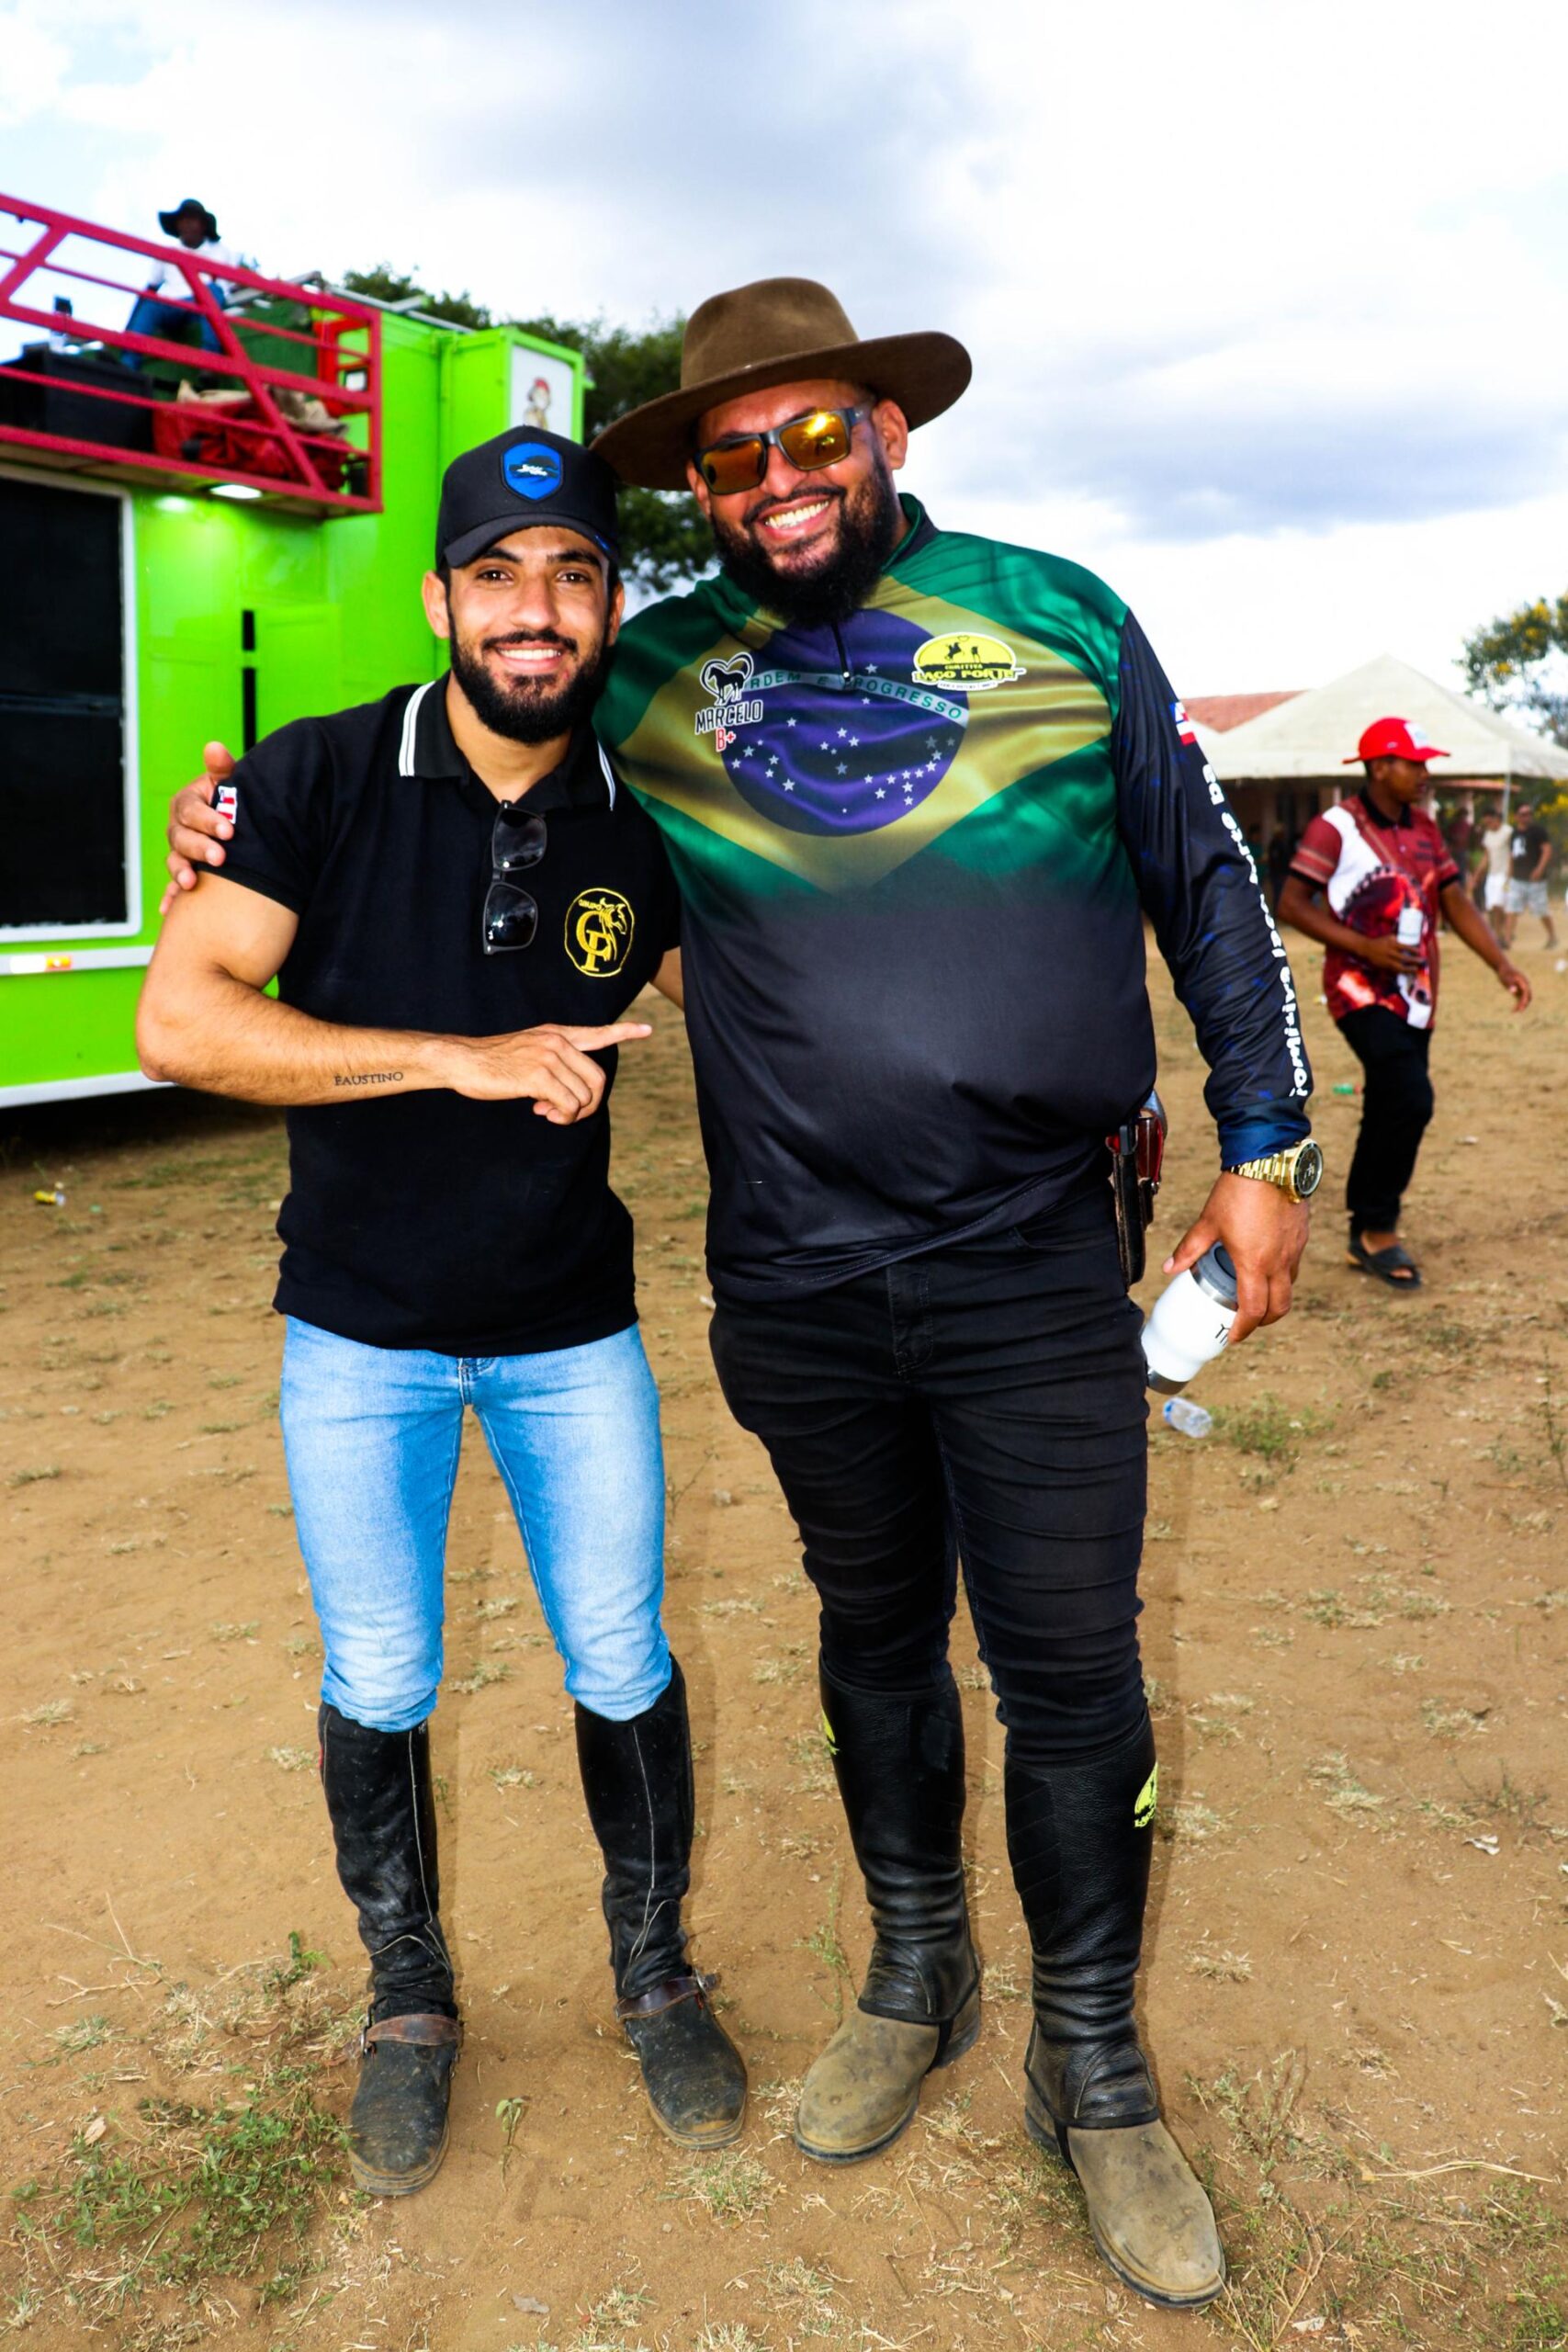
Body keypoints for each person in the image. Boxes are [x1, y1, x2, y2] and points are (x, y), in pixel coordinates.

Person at [165, 280, 1317, 2311]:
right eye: (727, 456)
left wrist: (1266, 1141)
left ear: (886, 434)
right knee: (871, 1639)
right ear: (693, 492)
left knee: (1071, 1672)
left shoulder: (1055, 614)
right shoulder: (653, 669)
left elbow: (1201, 878)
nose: (774, 482)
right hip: (792, 1275)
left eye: (811, 438)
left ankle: (1096, 2068)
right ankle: (912, 1975)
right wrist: (239, 808)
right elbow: (474, 709)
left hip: (1030, 1254)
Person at [138, 427, 747, 2197]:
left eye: (571, 576)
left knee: (621, 1655)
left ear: (608, 606)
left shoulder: (648, 814)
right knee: (383, 1673)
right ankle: (407, 1998)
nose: (533, 611)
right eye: (497, 575)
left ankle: (655, 1973)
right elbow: (180, 1022)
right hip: (357, 1333)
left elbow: (785, 988)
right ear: (439, 599)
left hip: (573, 1331)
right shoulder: (319, 776)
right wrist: (449, 1058)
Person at [1278, 718, 1530, 1291]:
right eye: (1413, 763)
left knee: (1392, 1101)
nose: (1424, 773)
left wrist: (1500, 964)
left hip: (1417, 996)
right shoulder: (1335, 827)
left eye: (1424, 763)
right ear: (1379, 767)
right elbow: (1291, 903)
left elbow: (1454, 899)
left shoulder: (1425, 828)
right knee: (1411, 1097)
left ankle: (1365, 1226)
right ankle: (1376, 1229)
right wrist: (1364, 945)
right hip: (1359, 991)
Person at [125, 197, 246, 364]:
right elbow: (150, 289)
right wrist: (127, 328)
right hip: (171, 307)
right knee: (150, 305)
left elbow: (233, 285)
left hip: (203, 308)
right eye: (182, 220)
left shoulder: (221, 252)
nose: (187, 224)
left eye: (192, 219)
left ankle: (209, 361)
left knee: (212, 291)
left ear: (203, 225)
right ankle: (128, 363)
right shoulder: (167, 253)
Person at [1502, 798, 1558, 951]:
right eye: (1523, 814)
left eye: (1529, 813)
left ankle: (1552, 936)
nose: (1527, 817)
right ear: (1516, 816)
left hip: (1535, 880)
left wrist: (1539, 868)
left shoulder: (1538, 831)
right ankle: (1507, 940)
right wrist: (1509, 875)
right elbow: (1512, 855)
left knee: (1541, 910)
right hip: (1517, 878)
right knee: (1512, 908)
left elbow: (1547, 850)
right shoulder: (1514, 833)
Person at [1477, 805, 1513, 934]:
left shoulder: (1508, 832)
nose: (1488, 825)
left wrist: (1510, 875)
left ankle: (1500, 933)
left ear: (1496, 819)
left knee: (1499, 905)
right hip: (1492, 875)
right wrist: (1477, 874)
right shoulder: (1488, 834)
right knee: (1491, 906)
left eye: (1489, 822)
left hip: (1504, 874)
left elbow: (1513, 854)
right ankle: (1496, 932)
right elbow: (1486, 856)